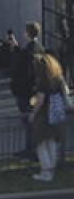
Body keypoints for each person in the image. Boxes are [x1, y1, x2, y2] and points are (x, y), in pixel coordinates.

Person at [30, 53, 70, 182]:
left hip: (44, 115)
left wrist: (33, 113)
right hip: (56, 115)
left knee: (40, 144)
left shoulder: (43, 81)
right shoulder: (58, 78)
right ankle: (51, 170)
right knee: (51, 143)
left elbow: (40, 101)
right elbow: (66, 92)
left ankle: (46, 172)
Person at [7, 23, 44, 159]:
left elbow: (21, 65)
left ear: (27, 33)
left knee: (29, 120)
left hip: (26, 90)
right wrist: (16, 48)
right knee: (31, 119)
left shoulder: (29, 50)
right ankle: (32, 148)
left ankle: (32, 149)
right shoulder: (38, 48)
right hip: (34, 89)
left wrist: (15, 50)